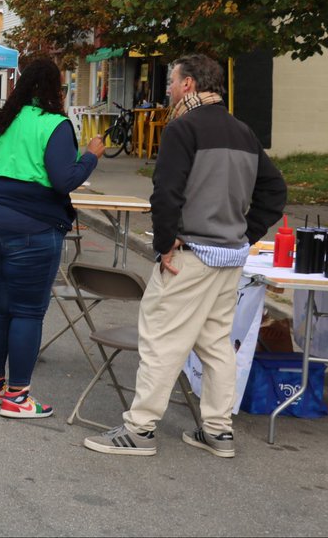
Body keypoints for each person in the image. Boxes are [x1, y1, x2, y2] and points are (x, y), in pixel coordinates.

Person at [84, 54, 286, 457]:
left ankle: (139, 429)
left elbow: (166, 191)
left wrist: (164, 243)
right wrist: (246, 233)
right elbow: (275, 192)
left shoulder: (183, 128)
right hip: (229, 256)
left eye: (173, 81)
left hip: (190, 252)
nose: (169, 88)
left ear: (190, 84)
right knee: (215, 344)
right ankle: (218, 429)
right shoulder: (243, 131)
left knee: (161, 338)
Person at [0, 57, 104, 419]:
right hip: (32, 226)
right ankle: (17, 397)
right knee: (28, 311)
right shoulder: (55, 125)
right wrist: (90, 157)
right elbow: (63, 180)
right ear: (53, 89)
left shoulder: (0, 123)